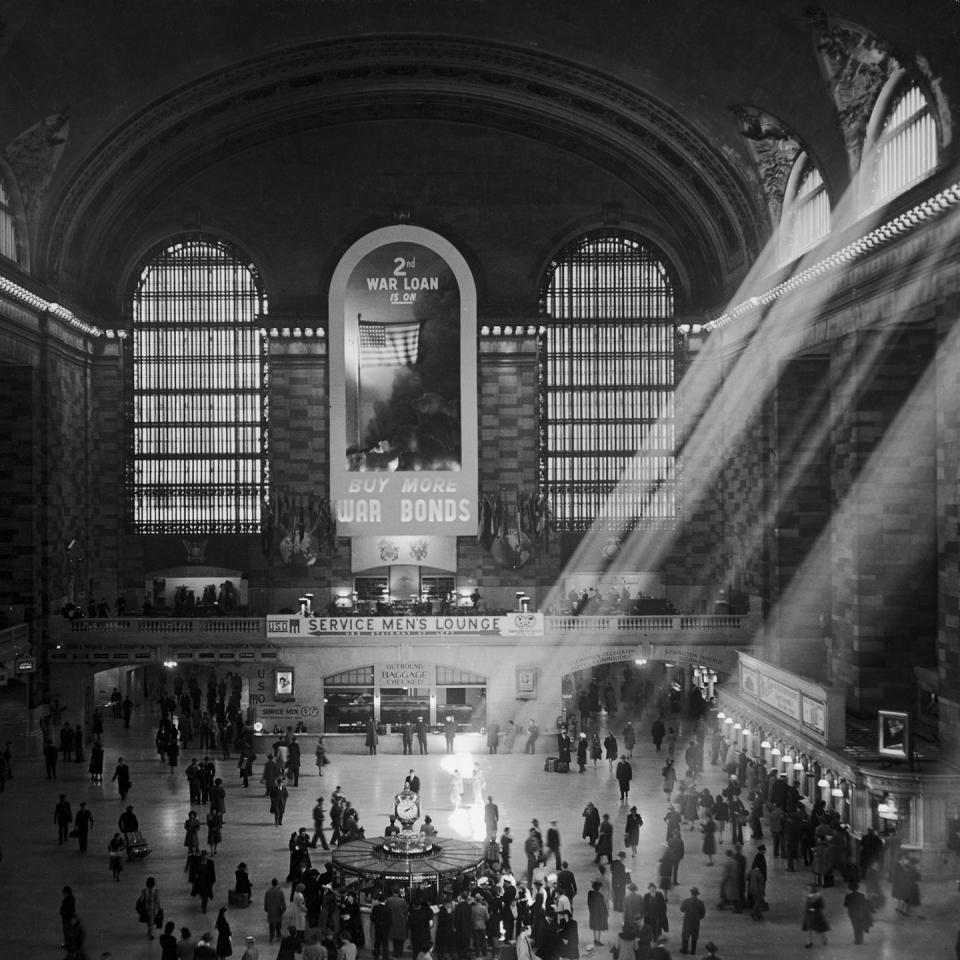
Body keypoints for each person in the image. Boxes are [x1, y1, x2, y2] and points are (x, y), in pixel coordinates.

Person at [801, 884, 829, 948]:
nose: (808, 890)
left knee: (819, 929)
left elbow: (821, 905)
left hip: (816, 914)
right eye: (807, 888)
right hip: (808, 914)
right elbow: (806, 904)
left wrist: (814, 908)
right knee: (809, 929)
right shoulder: (807, 896)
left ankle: (824, 939)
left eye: (809, 888)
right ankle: (809, 942)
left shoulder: (818, 896)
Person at [680, 886, 705, 955]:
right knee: (694, 936)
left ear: (691, 893)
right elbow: (702, 914)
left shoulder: (686, 901)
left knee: (685, 935)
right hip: (695, 922)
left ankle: (684, 949)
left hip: (687, 921)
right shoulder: (701, 903)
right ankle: (693, 951)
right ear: (697, 894)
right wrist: (697, 917)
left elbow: (682, 909)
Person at [264, 877, 286, 943]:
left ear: (272, 883)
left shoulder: (268, 892)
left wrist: (266, 908)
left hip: (271, 910)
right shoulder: (280, 892)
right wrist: (284, 909)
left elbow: (266, 901)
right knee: (279, 923)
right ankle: (278, 934)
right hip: (278, 910)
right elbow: (283, 901)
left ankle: (271, 937)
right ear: (277, 883)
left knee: (271, 924)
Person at [587, 879, 608, 946]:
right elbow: (603, 905)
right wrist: (606, 913)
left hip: (593, 912)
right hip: (599, 913)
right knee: (599, 926)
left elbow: (588, 903)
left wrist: (590, 910)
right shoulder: (600, 896)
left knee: (594, 926)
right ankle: (598, 940)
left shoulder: (590, 894)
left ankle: (595, 939)